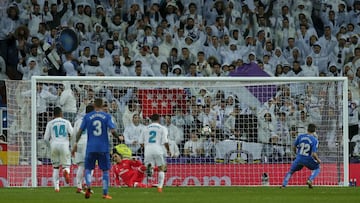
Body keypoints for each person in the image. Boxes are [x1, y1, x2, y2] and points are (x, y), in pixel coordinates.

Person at [71, 98, 120, 199]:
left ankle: (88, 186)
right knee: (105, 171)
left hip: (90, 147)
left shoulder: (87, 117)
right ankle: (105, 193)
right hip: (103, 147)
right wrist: (119, 137)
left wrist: (76, 143)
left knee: (88, 168)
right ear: (102, 105)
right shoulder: (106, 116)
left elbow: (79, 131)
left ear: (94, 105)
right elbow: (112, 130)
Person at [281, 123, 321, 188]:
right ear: (314, 130)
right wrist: (318, 160)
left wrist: (296, 154)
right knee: (317, 168)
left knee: (291, 171)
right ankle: (310, 180)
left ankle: (284, 184)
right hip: (308, 159)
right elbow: (314, 154)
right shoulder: (314, 140)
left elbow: (294, 147)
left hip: (299, 158)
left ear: (307, 129)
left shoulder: (300, 136)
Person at [44, 107, 73, 192]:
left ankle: (56, 188)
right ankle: (66, 171)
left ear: (54, 115)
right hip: (64, 145)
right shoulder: (66, 122)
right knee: (66, 165)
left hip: (54, 145)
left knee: (55, 168)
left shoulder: (50, 123)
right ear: (61, 114)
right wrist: (69, 142)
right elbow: (72, 133)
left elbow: (45, 138)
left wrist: (50, 147)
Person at [139, 113, 170, 193]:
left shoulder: (145, 128)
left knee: (150, 166)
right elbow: (165, 141)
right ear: (159, 119)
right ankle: (160, 187)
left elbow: (141, 142)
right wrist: (168, 150)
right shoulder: (162, 128)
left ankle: (150, 169)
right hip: (158, 149)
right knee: (161, 168)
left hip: (148, 150)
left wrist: (146, 147)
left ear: (151, 120)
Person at [72, 104, 94, 194]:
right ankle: (86, 184)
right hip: (89, 144)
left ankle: (79, 186)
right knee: (91, 166)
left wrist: (74, 144)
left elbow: (74, 134)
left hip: (79, 143)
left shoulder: (78, 121)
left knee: (81, 166)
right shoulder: (94, 121)